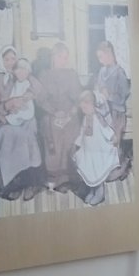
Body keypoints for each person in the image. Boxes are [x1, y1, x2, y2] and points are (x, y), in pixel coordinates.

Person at [0, 56, 42, 189]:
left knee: (24, 137)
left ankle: (23, 178)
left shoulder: (28, 83)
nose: (9, 63)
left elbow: (29, 107)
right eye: (6, 59)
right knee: (9, 135)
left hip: (22, 120)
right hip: (5, 120)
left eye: (12, 59)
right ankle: (8, 178)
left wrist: (22, 102)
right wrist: (8, 109)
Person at [37, 41, 83, 190]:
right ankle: (54, 176)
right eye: (60, 57)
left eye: (65, 57)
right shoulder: (44, 75)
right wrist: (54, 112)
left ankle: (68, 176)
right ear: (53, 57)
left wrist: (71, 112)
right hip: (51, 113)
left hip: (69, 112)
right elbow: (41, 100)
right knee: (52, 129)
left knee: (71, 127)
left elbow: (79, 98)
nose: (64, 61)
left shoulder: (71, 74)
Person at [71, 90, 118, 202]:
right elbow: (82, 133)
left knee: (97, 171)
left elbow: (106, 129)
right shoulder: (85, 118)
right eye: (82, 104)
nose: (83, 106)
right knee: (89, 170)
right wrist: (77, 143)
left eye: (86, 103)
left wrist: (112, 137)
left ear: (93, 105)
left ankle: (99, 193)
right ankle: (92, 191)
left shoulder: (98, 118)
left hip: (98, 150)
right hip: (88, 150)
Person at [91, 39, 129, 149]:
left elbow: (123, 95)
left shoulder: (119, 72)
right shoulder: (102, 71)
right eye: (98, 58)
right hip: (104, 112)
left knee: (114, 143)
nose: (100, 61)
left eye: (101, 57)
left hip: (116, 113)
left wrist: (109, 96)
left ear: (109, 54)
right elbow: (98, 89)